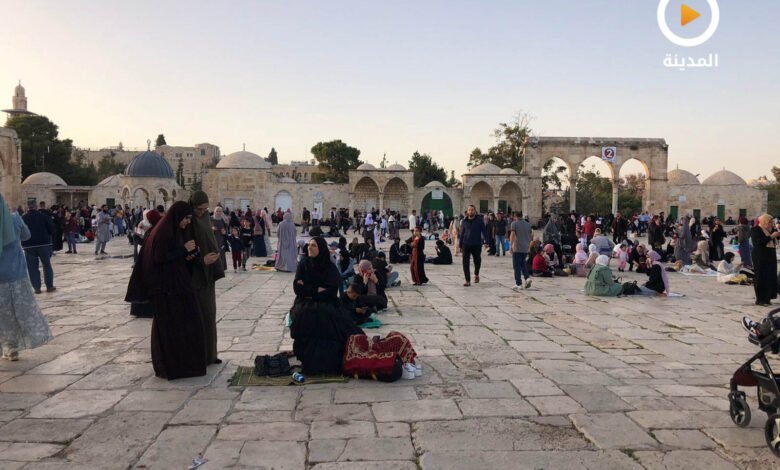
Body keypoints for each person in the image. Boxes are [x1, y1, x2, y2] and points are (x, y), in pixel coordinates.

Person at [125, 202, 207, 379]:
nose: (188, 222)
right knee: (171, 328)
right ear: (177, 216)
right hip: (166, 289)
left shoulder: (175, 231)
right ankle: (172, 367)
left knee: (187, 324)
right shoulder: (162, 233)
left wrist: (190, 255)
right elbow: (160, 258)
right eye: (186, 218)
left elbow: (176, 257)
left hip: (176, 286)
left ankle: (186, 365)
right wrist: (183, 250)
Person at [290, 237, 364, 374]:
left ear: (321, 249)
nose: (309, 248)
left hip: (326, 302)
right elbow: (297, 288)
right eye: (309, 245)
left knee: (328, 317)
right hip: (304, 303)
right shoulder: (303, 265)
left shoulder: (329, 267)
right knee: (304, 315)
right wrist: (315, 290)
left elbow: (330, 292)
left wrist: (308, 290)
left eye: (313, 246)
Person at [0, 194, 53, 361]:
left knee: (4, 314)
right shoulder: (15, 219)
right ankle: (13, 347)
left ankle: (9, 346)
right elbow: (26, 236)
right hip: (16, 273)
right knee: (19, 311)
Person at [189, 192, 225, 365]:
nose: (202, 212)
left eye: (205, 209)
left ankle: (210, 354)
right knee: (198, 316)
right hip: (195, 275)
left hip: (207, 274)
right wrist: (201, 260)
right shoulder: (189, 221)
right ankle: (199, 356)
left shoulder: (204, 219)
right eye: (199, 209)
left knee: (209, 314)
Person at [22, 200, 55, 294]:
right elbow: (52, 229)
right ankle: (49, 286)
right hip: (44, 244)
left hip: (28, 246)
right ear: (36, 206)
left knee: (32, 267)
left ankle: (37, 288)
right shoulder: (43, 216)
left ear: (27, 207)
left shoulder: (23, 218)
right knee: (47, 265)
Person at [750, 214, 780, 306]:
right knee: (761, 276)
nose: (771, 224)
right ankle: (760, 299)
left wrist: (776, 233)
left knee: (770, 276)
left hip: (770, 255)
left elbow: (776, 239)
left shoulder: (770, 230)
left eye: (771, 222)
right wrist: (771, 236)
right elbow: (758, 242)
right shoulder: (755, 230)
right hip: (760, 256)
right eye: (769, 222)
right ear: (763, 221)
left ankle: (767, 298)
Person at [459, 205, 487, 287]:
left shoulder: (479, 221)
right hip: (466, 244)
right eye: (469, 210)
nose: (470, 211)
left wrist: (487, 242)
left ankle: (476, 274)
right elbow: (462, 234)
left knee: (477, 260)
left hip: (476, 244)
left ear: (475, 211)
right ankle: (467, 280)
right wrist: (460, 245)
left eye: (472, 210)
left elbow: (484, 231)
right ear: (467, 211)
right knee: (465, 262)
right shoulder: (464, 221)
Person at [509, 211, 532, 289]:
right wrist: (528, 246)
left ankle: (518, 283)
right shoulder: (528, 224)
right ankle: (527, 278)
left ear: (515, 216)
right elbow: (530, 236)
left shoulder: (514, 223)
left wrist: (510, 246)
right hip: (525, 247)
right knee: (523, 264)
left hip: (517, 247)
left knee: (516, 265)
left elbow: (512, 235)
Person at [212, 206, 228, 270]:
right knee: (213, 251)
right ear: (214, 212)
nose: (219, 212)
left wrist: (224, 232)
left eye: (220, 211)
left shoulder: (222, 220)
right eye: (217, 211)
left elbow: (225, 229)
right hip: (212, 237)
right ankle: (214, 266)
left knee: (221, 252)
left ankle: (221, 267)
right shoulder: (210, 219)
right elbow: (206, 228)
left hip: (220, 238)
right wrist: (211, 228)